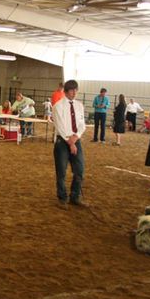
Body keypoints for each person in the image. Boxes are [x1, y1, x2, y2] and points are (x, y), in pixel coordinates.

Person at [52, 79, 86, 209]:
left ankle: (75, 196)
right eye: (71, 90)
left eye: (76, 90)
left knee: (80, 170)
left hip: (76, 140)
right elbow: (60, 126)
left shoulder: (79, 106)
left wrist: (76, 137)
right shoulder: (58, 106)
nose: (74, 92)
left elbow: (82, 124)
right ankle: (62, 198)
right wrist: (70, 142)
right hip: (62, 142)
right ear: (66, 91)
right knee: (61, 172)